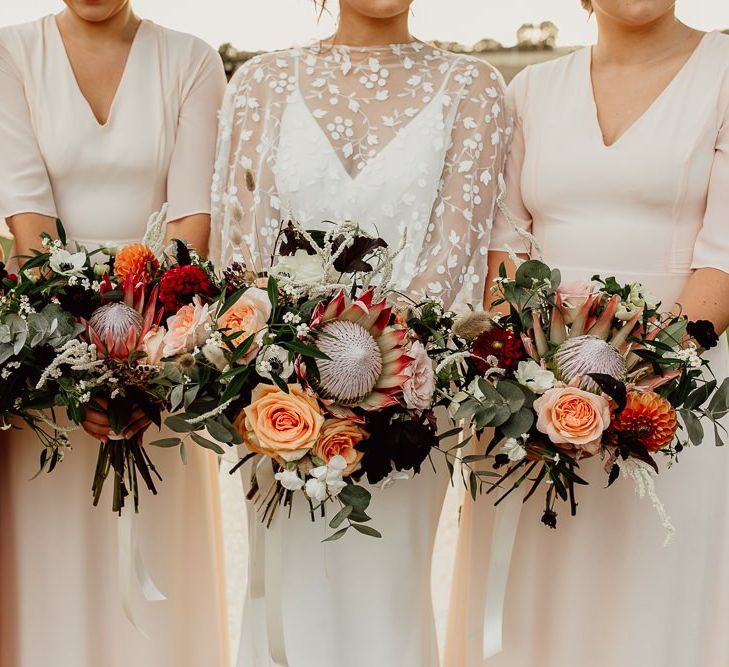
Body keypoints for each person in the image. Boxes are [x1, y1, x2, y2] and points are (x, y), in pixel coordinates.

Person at [210, 0, 509, 664]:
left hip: (407, 397)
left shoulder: (474, 88)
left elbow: (452, 257)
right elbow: (239, 252)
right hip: (277, 399)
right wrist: (286, 373)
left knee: (385, 599)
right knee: (285, 599)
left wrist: (374, 371)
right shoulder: (259, 82)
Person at [446, 2, 729, 666]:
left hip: (676, 393)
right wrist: (532, 382)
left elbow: (724, 256)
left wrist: (627, 387)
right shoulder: (531, 91)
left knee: (653, 592)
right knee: (533, 602)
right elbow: (505, 249)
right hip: (533, 398)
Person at [0, 2, 229, 665]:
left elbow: (191, 227)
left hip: (162, 353)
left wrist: (143, 366)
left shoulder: (190, 59)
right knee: (53, 564)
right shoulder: (11, 53)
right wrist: (83, 368)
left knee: (154, 572)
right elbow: (30, 225)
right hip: (42, 359)